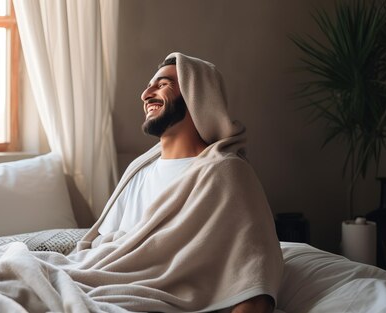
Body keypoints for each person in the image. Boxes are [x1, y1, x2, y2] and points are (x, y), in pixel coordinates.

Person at [74, 52, 284, 313]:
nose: (146, 94)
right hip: (108, 289)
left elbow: (254, 278)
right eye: (149, 85)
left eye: (162, 84)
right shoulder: (139, 170)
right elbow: (103, 251)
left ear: (196, 96)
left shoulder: (226, 174)